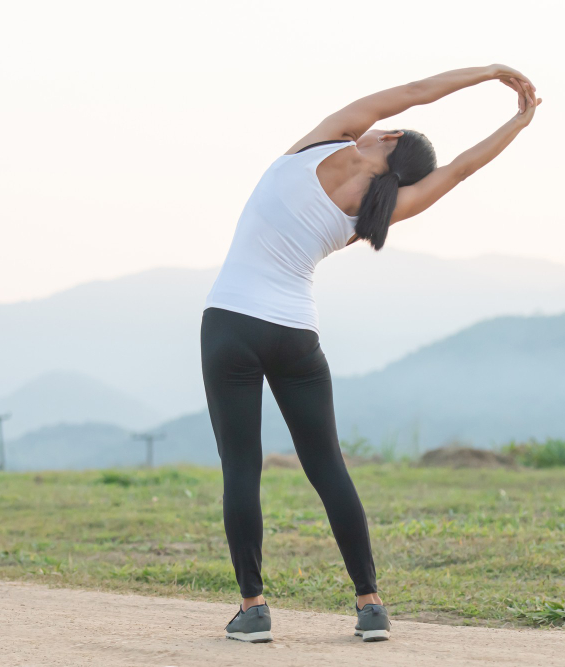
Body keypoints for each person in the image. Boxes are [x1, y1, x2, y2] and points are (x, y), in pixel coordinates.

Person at [201, 64, 541, 643]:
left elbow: (414, 93)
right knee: (328, 466)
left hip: (231, 322)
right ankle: (370, 603)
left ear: (389, 134)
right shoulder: (379, 210)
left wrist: (489, 74)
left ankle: (253, 608)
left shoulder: (324, 140)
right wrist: (520, 121)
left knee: (241, 467)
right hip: (296, 334)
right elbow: (461, 169)